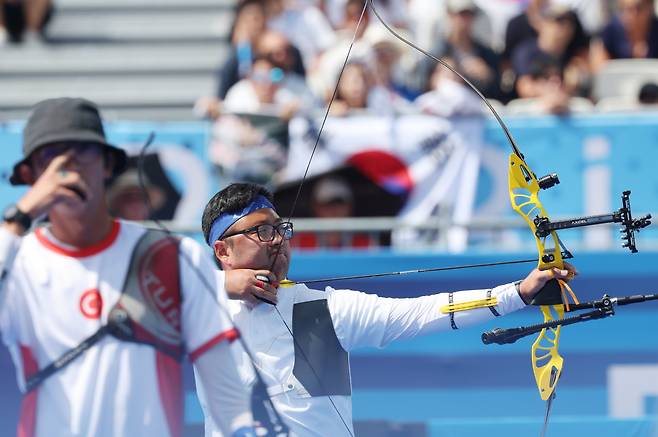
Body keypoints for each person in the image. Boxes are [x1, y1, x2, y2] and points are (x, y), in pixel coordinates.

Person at [200, 182, 576, 436]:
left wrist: (520, 293)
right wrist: (221, 285)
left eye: (280, 228)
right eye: (262, 232)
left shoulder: (322, 309)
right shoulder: (198, 310)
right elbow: (142, 297)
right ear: (223, 250)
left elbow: (424, 313)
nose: (278, 239)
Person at [0, 98, 256, 437]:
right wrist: (20, 215)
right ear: (30, 175)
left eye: (82, 152)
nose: (68, 169)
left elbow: (226, 393)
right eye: (52, 157)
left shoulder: (174, 256)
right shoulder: (18, 261)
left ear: (107, 165)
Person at [591, 0, 658, 72]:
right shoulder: (611, 29)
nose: (632, 15)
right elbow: (600, 67)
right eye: (626, 9)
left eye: (638, 8)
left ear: (650, 7)